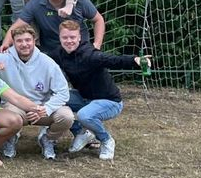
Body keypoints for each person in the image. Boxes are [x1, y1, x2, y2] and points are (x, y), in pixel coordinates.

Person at [46, 20, 151, 160]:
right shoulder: (59, 53)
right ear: (60, 37)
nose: (69, 41)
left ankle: (106, 140)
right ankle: (81, 133)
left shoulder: (89, 54)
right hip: (84, 97)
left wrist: (135, 60)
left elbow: (112, 60)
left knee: (85, 115)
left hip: (109, 101)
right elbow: (41, 58)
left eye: (72, 37)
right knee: (53, 99)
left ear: (79, 37)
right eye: (65, 37)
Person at [0, 24, 73, 160]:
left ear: (34, 40)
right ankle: (10, 138)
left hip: (41, 109)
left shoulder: (47, 62)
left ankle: (47, 139)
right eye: (19, 41)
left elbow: (63, 92)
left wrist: (46, 109)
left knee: (66, 117)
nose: (24, 44)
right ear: (13, 42)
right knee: (9, 116)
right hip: (16, 108)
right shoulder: (4, 58)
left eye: (27, 40)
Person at [0, 0, 105, 54]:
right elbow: (17, 26)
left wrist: (96, 45)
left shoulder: (79, 0)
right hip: (52, 53)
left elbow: (98, 20)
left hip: (80, 50)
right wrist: (5, 45)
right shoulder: (36, 3)